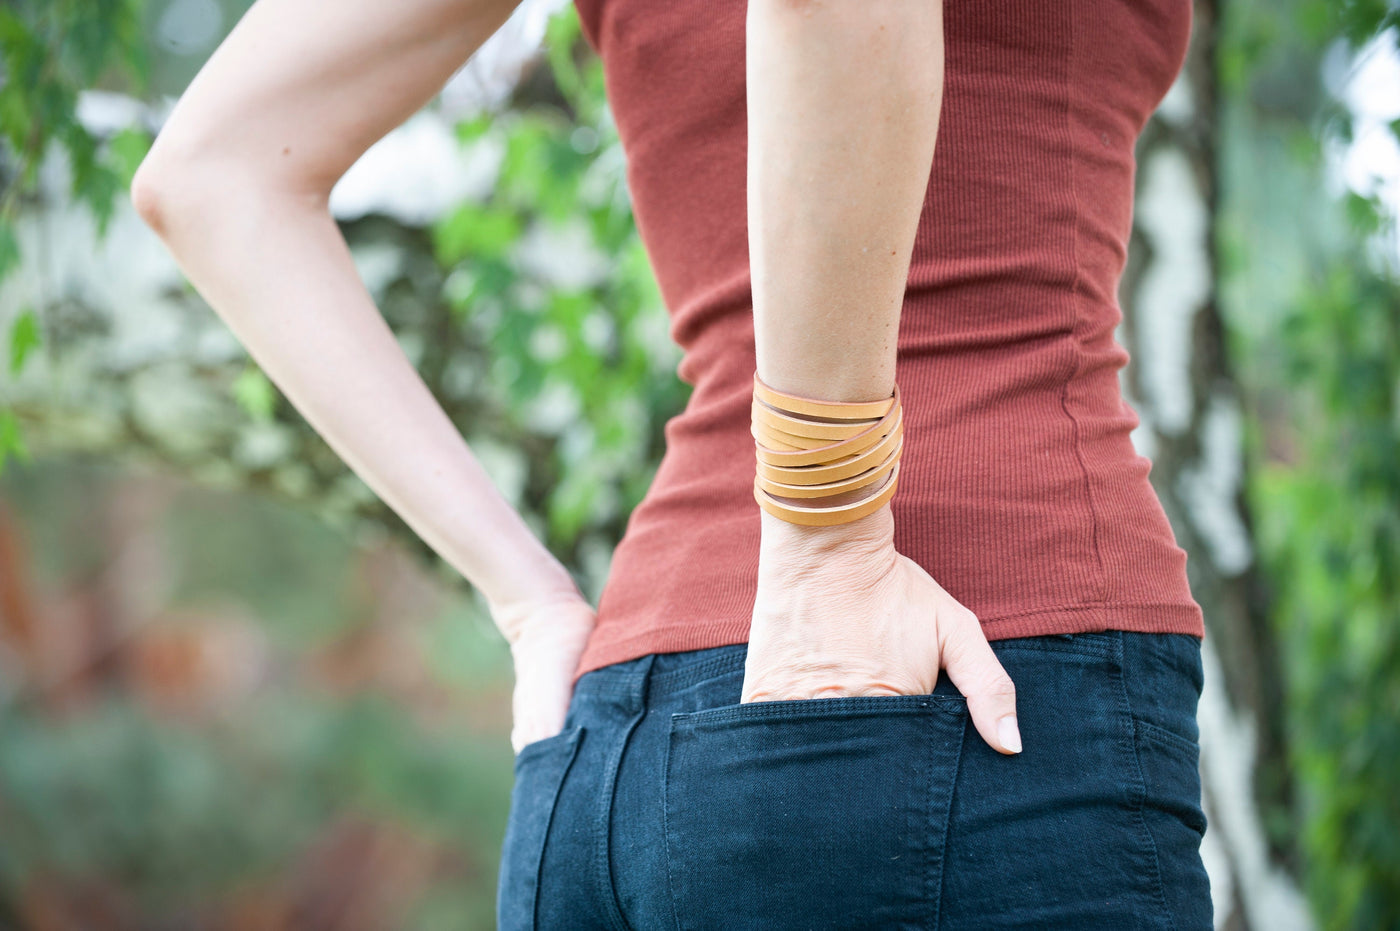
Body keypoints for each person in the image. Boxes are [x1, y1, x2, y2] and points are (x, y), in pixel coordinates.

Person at [130, 0, 1213, 926]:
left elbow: (213, 172)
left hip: (608, 752)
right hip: (958, 693)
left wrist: (530, 602)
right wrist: (827, 533)